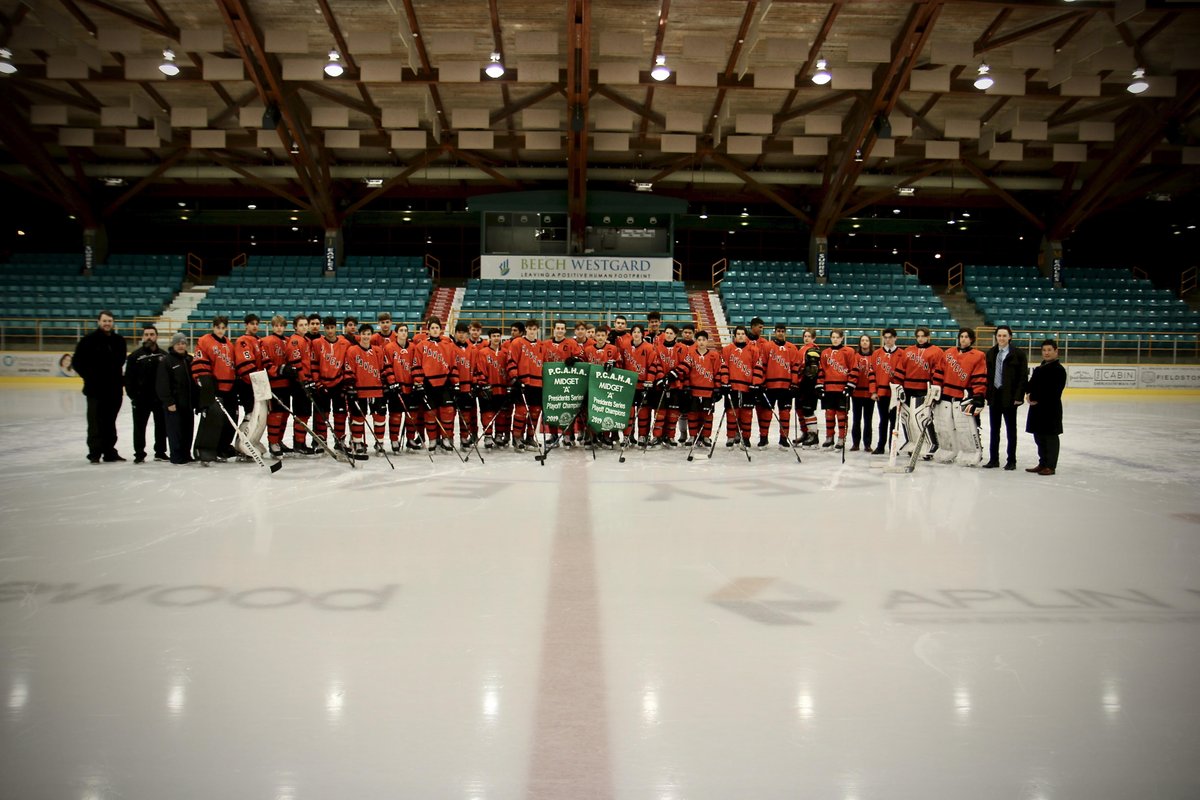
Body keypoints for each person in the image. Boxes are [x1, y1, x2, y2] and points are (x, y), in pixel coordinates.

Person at [72, 310, 128, 463]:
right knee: (95, 422)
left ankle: (109, 452)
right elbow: (77, 362)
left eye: (109, 321)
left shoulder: (119, 341)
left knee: (110, 422)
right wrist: (90, 377)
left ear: (113, 322)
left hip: (114, 390)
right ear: (99, 322)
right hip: (95, 390)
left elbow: (120, 361)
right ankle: (95, 453)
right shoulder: (88, 340)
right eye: (104, 321)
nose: (107, 323)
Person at [931, 328, 988, 466]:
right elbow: (939, 372)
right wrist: (936, 391)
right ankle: (948, 449)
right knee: (944, 425)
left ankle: (972, 451)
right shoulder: (949, 353)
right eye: (961, 336)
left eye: (966, 337)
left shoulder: (978, 355)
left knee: (965, 427)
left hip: (964, 396)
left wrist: (979, 395)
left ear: (972, 339)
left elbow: (979, 378)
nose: (963, 339)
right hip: (946, 395)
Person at [343, 323, 395, 459]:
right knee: (358, 417)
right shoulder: (352, 350)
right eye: (364, 334)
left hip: (377, 390)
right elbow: (348, 370)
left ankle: (380, 443)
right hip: (360, 390)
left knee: (380, 416)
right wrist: (350, 387)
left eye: (368, 334)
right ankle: (357, 442)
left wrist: (389, 384)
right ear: (359, 335)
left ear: (371, 335)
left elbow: (384, 369)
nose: (366, 336)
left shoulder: (378, 350)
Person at [191, 315, 238, 463]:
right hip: (214, 388)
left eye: (223, 328)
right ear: (213, 327)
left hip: (229, 389)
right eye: (218, 327)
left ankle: (222, 447)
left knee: (230, 420)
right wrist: (208, 387)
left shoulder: (230, 345)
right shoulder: (205, 341)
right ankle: (204, 449)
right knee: (213, 420)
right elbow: (200, 366)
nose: (220, 331)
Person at [984, 325, 1028, 470]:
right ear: (996, 337)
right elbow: (987, 377)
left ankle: (1011, 460)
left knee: (1011, 430)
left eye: (1004, 336)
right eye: (999, 335)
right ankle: (994, 459)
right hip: (994, 397)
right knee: (994, 430)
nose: (1001, 338)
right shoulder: (990, 353)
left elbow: (1022, 377)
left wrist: (1018, 396)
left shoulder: (1018, 354)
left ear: (1010, 337)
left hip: (1009, 397)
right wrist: (987, 395)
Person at [123, 322, 167, 463]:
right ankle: (139, 454)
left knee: (161, 427)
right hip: (141, 400)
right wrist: (133, 396)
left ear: (156, 337)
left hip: (159, 399)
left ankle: (160, 452)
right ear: (143, 337)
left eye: (152, 335)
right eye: (146, 335)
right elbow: (128, 379)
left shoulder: (164, 355)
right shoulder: (135, 357)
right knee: (139, 427)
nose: (149, 337)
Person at [1025, 339, 1065, 476]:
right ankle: (1042, 463)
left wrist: (1034, 397)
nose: (1046, 353)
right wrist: (1028, 394)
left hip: (1050, 410)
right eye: (1044, 350)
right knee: (1039, 437)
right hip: (1037, 410)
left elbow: (1053, 391)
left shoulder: (1059, 370)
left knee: (1050, 438)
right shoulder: (1040, 368)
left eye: (1049, 350)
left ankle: (1050, 466)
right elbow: (1030, 385)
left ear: (1056, 351)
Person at [759, 323, 800, 448]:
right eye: (778, 331)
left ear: (785, 332)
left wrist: (794, 384)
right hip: (770, 386)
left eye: (782, 331)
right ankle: (763, 438)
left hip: (785, 387)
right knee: (766, 414)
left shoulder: (792, 348)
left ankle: (783, 439)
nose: (780, 333)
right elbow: (762, 366)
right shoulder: (766, 347)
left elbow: (795, 367)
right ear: (775, 332)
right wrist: (762, 382)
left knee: (785, 414)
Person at [155, 332, 194, 464]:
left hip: (187, 404)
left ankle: (186, 454)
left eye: (183, 343)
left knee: (188, 431)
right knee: (175, 432)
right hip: (174, 404)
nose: (181, 346)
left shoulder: (189, 359)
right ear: (173, 344)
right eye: (178, 343)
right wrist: (169, 401)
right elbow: (162, 383)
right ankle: (177, 456)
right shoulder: (167, 360)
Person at [722, 325, 763, 448]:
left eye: (742, 334)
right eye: (738, 334)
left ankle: (746, 437)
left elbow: (758, 366)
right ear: (734, 335)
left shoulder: (754, 350)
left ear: (746, 336)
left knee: (746, 413)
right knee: (732, 412)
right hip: (732, 386)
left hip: (748, 387)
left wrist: (756, 383)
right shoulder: (727, 349)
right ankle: (731, 436)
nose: (740, 336)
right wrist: (725, 382)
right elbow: (724, 366)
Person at [682, 329, 725, 448]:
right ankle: (693, 435)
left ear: (707, 341)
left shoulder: (714, 355)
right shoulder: (691, 354)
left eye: (703, 340)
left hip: (708, 390)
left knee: (707, 414)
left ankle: (706, 436)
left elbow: (717, 372)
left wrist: (717, 388)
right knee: (693, 414)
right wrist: (686, 387)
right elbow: (686, 371)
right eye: (699, 340)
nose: (701, 342)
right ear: (696, 341)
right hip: (694, 390)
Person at [817, 328, 858, 449]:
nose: (835, 340)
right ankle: (829, 437)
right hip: (829, 388)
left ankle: (841, 438)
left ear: (842, 338)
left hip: (842, 388)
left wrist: (850, 385)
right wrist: (820, 385)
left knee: (841, 415)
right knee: (829, 414)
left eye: (837, 337)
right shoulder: (825, 353)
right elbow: (821, 370)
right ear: (830, 338)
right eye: (833, 337)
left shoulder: (849, 351)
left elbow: (854, 369)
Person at [869, 328, 904, 455]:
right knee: (883, 420)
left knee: (894, 422)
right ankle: (880, 446)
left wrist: (899, 392)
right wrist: (873, 391)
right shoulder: (877, 353)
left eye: (890, 337)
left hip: (894, 394)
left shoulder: (901, 354)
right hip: (881, 393)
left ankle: (892, 447)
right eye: (886, 337)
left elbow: (902, 375)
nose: (888, 340)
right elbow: (872, 374)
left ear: (895, 338)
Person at [848, 334, 877, 453]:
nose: (864, 342)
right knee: (856, 419)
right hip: (857, 393)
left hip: (870, 393)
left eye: (866, 340)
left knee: (868, 420)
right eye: (862, 340)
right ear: (859, 343)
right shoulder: (855, 356)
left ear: (870, 343)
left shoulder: (875, 357)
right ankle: (855, 443)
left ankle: (867, 444)